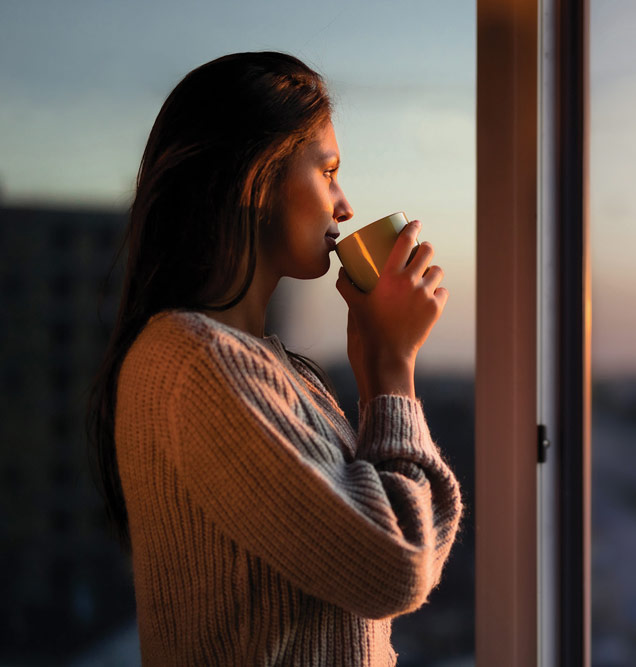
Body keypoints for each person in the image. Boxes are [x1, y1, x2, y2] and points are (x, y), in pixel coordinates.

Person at [86, 51, 463, 666]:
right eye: (329, 171)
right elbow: (396, 569)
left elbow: (407, 552)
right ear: (254, 178)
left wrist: (375, 370)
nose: (344, 205)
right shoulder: (195, 363)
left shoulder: (268, 369)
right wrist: (393, 369)